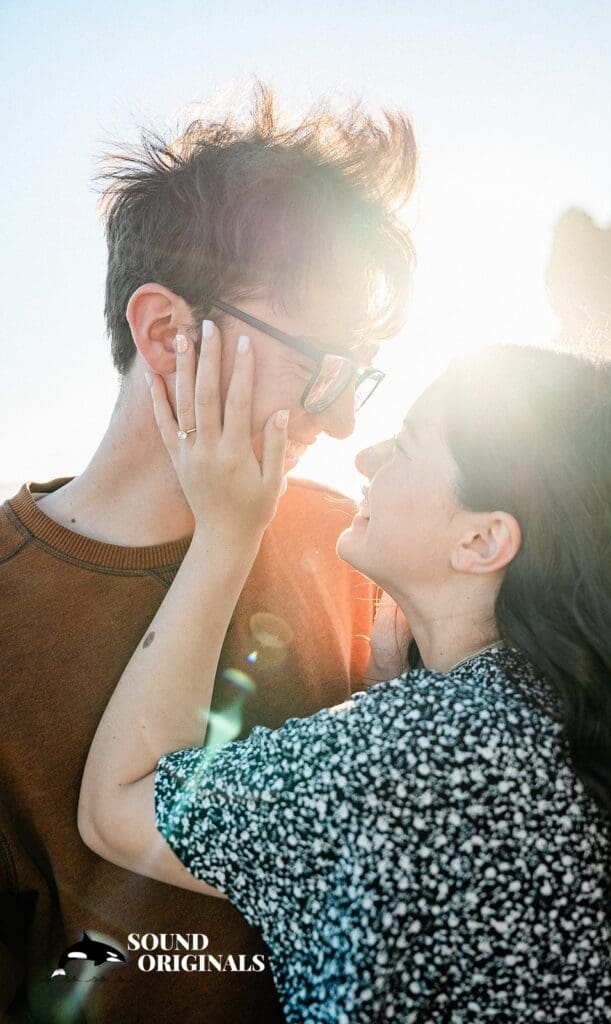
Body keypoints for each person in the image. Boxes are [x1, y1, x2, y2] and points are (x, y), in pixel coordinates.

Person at [78, 333, 611, 1022]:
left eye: (405, 445)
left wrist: (226, 534)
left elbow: (118, 807)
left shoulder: (413, 755)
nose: (365, 456)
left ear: (482, 540)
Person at [0, 85, 416, 1023]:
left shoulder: (352, 547)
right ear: (166, 333)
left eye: (358, 376)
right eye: (319, 364)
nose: (343, 424)